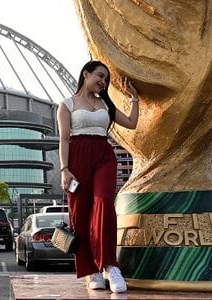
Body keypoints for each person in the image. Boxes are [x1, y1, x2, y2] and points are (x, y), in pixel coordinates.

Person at [57, 60, 138, 293]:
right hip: (77, 157)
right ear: (86, 73)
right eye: (99, 76)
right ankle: (91, 270)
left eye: (106, 79)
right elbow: (64, 139)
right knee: (80, 212)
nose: (103, 82)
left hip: (104, 156)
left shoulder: (106, 104)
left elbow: (131, 124)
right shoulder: (67, 104)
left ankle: (110, 266)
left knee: (104, 203)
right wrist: (64, 169)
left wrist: (134, 98)